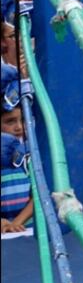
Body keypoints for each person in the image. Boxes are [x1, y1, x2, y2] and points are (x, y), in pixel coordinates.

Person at [1, 64, 32, 233]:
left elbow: (40, 193)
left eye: (23, 120)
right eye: (10, 121)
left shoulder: (32, 151)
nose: (19, 127)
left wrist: (17, 222)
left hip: (30, 229)